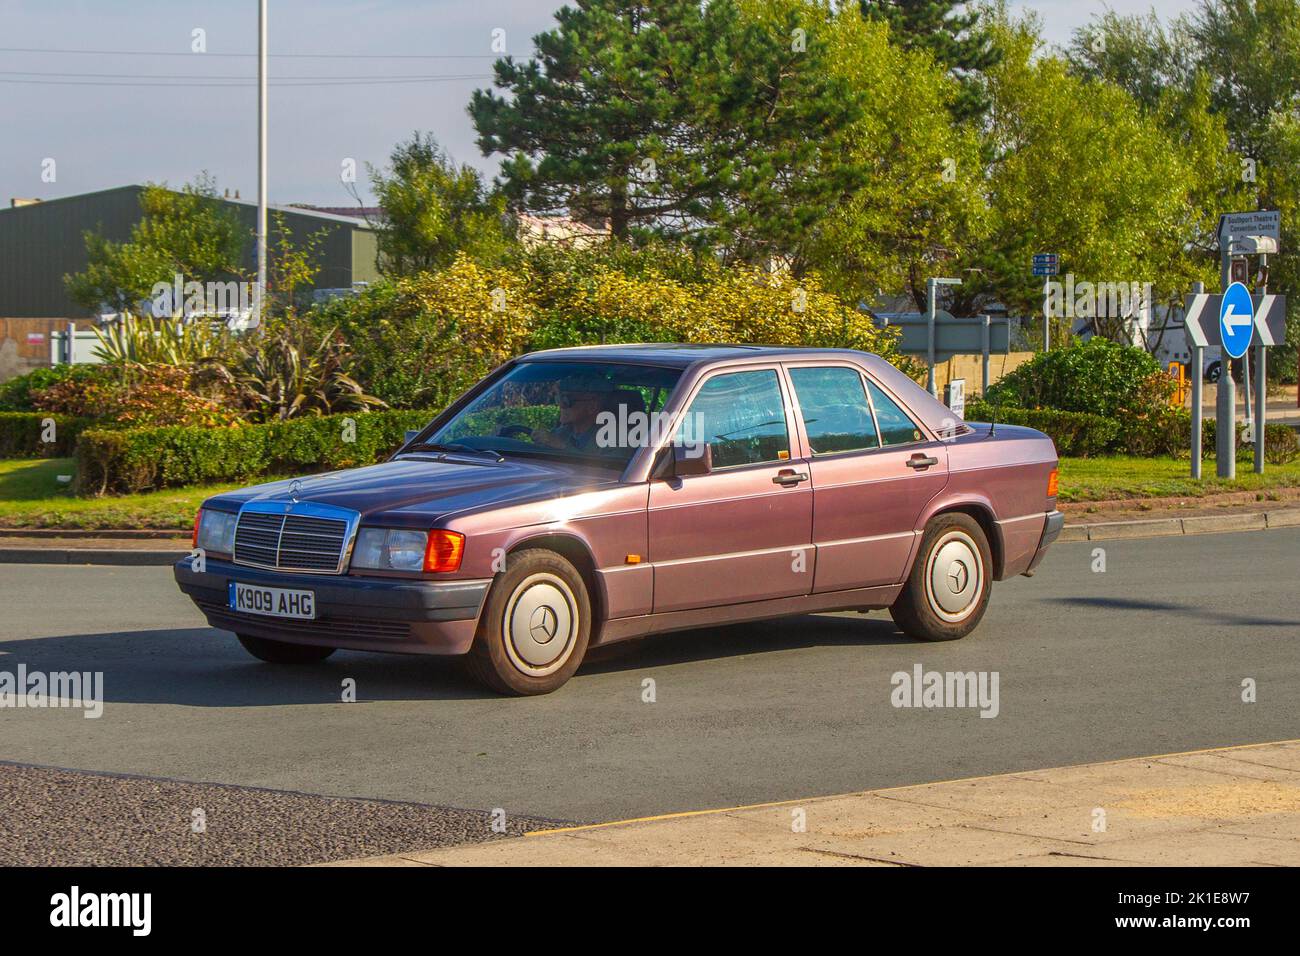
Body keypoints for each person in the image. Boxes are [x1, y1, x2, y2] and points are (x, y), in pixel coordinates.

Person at [532, 374, 613, 452]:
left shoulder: (614, 439)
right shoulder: (561, 432)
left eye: (567, 400)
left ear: (592, 406)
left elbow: (601, 465)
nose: (561, 405)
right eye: (559, 398)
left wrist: (562, 446)